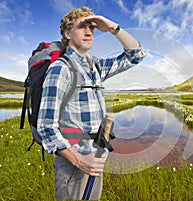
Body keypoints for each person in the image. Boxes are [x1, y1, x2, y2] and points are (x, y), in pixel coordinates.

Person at [36, 6, 146, 200]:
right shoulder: (60, 69)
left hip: (95, 159)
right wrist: (79, 161)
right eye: (82, 27)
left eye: (92, 28)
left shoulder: (95, 66)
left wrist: (113, 28)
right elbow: (46, 127)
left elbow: (136, 55)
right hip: (73, 165)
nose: (89, 32)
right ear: (67, 33)